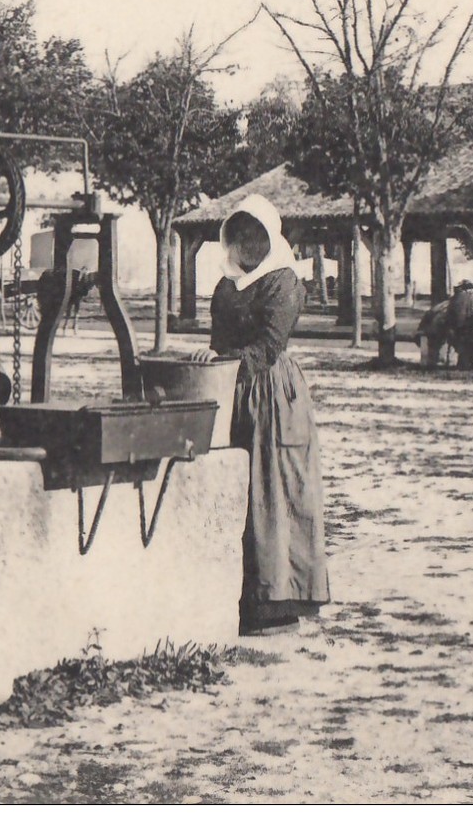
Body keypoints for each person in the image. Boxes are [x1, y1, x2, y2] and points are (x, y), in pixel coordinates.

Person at [191, 196, 330, 637]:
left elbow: (269, 345)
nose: (247, 246)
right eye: (241, 236)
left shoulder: (282, 282)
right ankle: (244, 598)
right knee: (241, 491)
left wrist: (226, 362)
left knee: (274, 490)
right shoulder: (226, 285)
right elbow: (219, 337)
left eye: (255, 236)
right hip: (233, 388)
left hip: (272, 393)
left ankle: (279, 605)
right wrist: (210, 359)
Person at [443, 279, 473, 369]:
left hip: (455, 325)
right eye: (471, 288)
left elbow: (449, 312)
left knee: (461, 345)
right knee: (468, 344)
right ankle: (465, 363)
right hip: (466, 325)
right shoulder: (469, 298)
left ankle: (464, 362)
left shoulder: (454, 298)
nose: (472, 290)